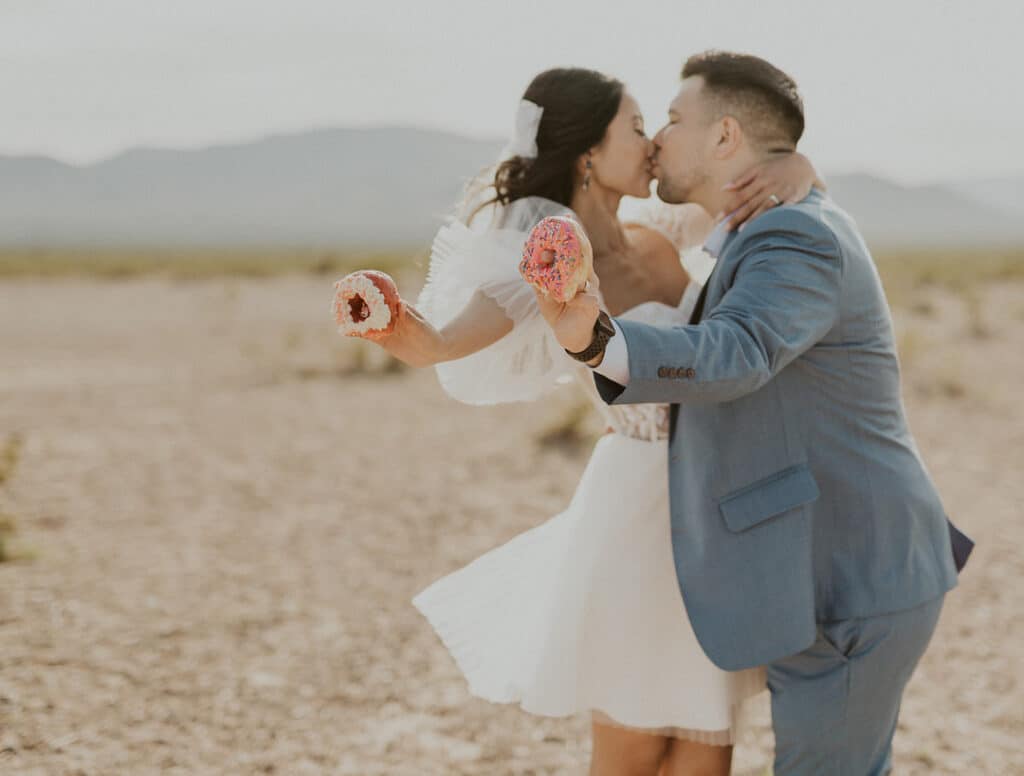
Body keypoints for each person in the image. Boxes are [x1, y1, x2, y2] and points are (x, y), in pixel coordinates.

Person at [357, 66, 822, 775]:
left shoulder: (664, 232)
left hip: (719, 501)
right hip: (639, 510)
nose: (653, 143)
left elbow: (749, 186)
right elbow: (443, 342)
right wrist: (394, 324)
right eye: (636, 129)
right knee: (635, 741)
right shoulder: (542, 265)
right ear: (588, 156)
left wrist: (797, 162)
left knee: (707, 742)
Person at [533, 51, 971, 775]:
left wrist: (595, 338)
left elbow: (739, 351)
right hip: (815, 564)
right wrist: (804, 166)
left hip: (852, 576)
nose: (657, 141)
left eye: (673, 121)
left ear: (725, 138)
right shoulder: (762, 223)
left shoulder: (793, 234)